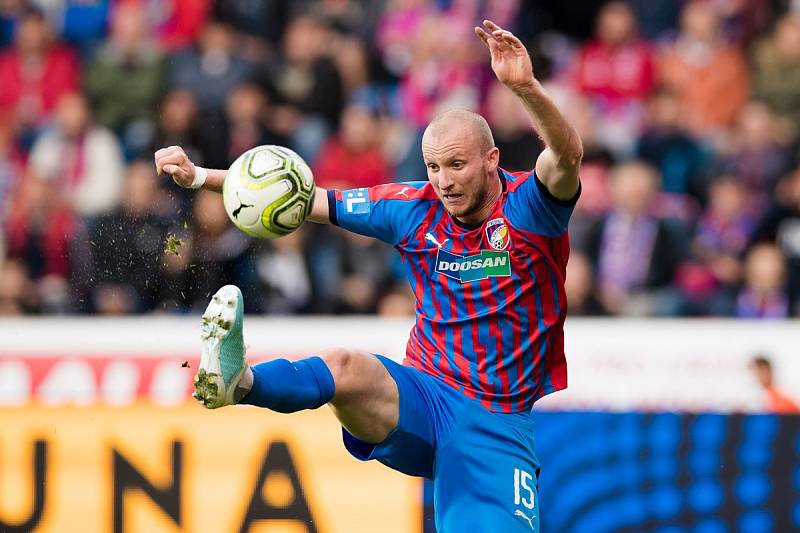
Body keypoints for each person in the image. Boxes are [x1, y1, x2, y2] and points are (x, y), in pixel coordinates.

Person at [154, 20, 582, 532]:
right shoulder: (411, 207)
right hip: (424, 395)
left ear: (492, 160)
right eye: (432, 167)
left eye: (456, 165)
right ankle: (238, 384)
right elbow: (303, 198)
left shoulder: (531, 210)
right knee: (347, 367)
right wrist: (200, 176)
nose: (443, 181)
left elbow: (566, 155)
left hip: (496, 422)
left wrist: (523, 88)